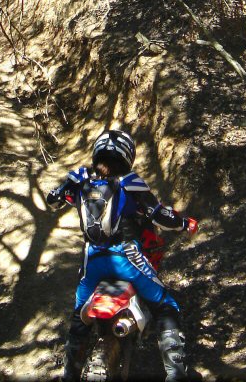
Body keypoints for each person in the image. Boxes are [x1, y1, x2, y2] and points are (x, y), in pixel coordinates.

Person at [46, 129, 198, 382]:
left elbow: (53, 200)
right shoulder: (130, 183)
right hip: (127, 258)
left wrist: (68, 185)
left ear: (97, 153)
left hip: (91, 262)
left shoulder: (81, 181)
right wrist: (184, 223)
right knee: (166, 305)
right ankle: (176, 375)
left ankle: (69, 376)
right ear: (127, 155)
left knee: (78, 319)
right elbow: (159, 215)